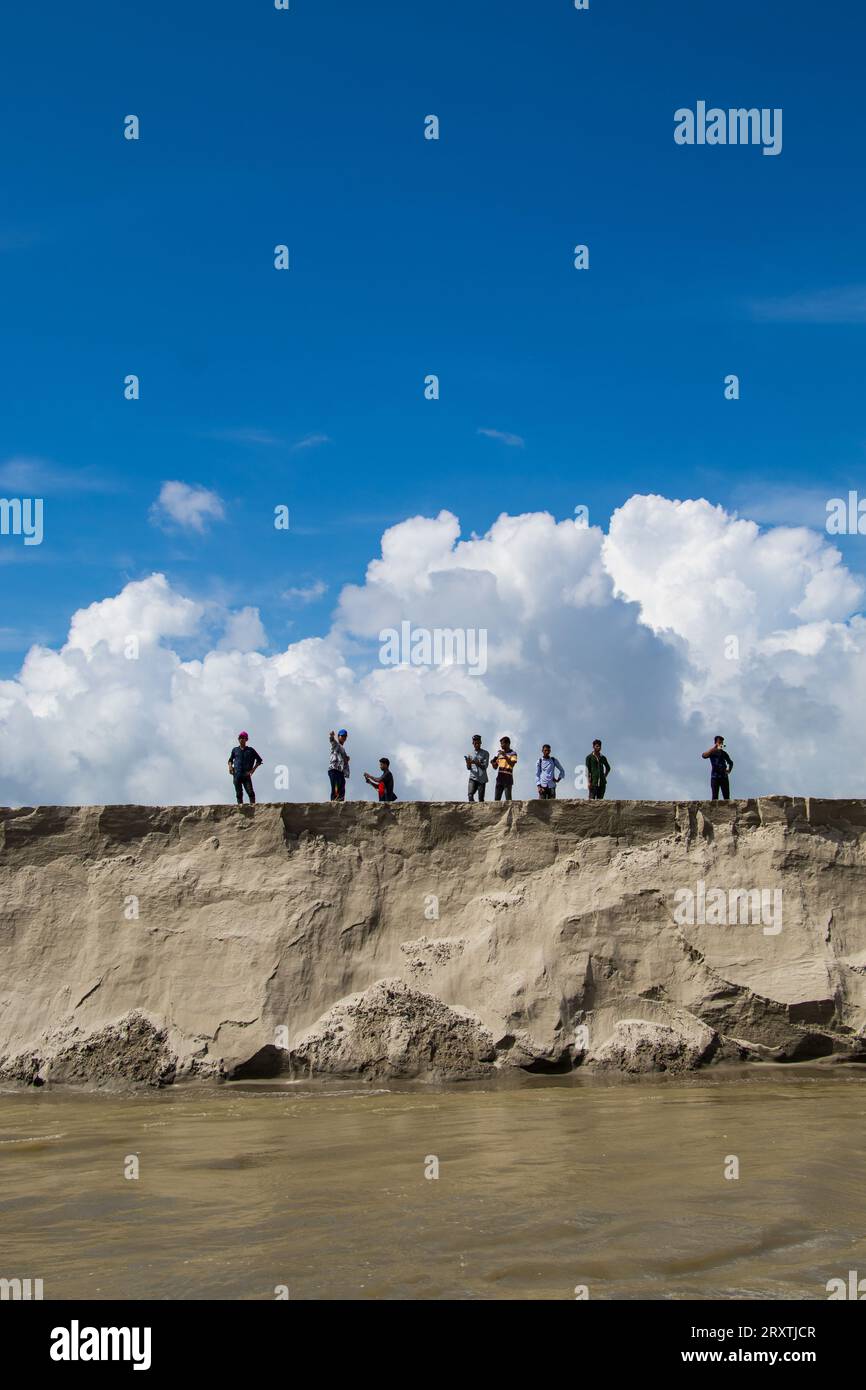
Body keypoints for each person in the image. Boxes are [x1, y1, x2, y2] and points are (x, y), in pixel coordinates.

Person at [227, 731, 263, 805]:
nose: (241, 739)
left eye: (243, 738)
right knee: (239, 793)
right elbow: (230, 760)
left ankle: (253, 807)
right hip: (237, 774)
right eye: (240, 738)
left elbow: (259, 760)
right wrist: (230, 767)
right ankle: (240, 808)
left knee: (250, 792)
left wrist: (252, 770)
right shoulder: (235, 750)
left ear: (246, 739)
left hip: (246, 774)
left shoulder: (250, 750)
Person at [702, 735, 734, 800]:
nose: (721, 744)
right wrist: (713, 748)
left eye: (722, 743)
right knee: (714, 796)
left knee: (726, 796)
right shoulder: (712, 752)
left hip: (724, 776)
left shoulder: (724, 753)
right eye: (719, 743)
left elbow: (731, 762)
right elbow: (703, 756)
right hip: (715, 776)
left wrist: (729, 770)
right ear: (716, 743)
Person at [491, 736, 518, 801]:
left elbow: (512, 764)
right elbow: (495, 767)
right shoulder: (499, 754)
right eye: (501, 744)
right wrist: (492, 763)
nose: (501, 746)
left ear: (508, 744)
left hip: (508, 779)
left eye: (502, 744)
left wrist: (505, 756)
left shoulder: (513, 753)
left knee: (508, 800)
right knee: (496, 800)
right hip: (499, 779)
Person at [465, 735, 490, 801]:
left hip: (481, 778)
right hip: (472, 777)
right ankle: (472, 809)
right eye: (475, 743)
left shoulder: (485, 753)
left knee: (481, 799)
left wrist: (476, 762)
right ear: (473, 743)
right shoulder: (470, 754)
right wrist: (468, 763)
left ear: (481, 743)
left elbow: (485, 766)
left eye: (478, 743)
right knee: (470, 795)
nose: (477, 745)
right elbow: (468, 768)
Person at [328, 729, 350, 801]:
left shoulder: (342, 748)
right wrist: (331, 735)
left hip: (340, 770)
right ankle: (334, 802)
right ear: (338, 736)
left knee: (342, 786)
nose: (343, 738)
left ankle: (340, 801)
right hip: (334, 769)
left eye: (345, 736)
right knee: (335, 787)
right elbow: (332, 741)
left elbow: (343, 760)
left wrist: (346, 758)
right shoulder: (336, 744)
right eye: (342, 736)